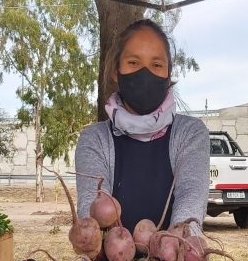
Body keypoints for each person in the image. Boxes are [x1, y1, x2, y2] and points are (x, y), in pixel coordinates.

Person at [74, 19, 210, 235]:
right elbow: (92, 213)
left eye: (156, 65)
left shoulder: (190, 133)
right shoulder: (94, 138)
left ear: (168, 75)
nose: (145, 74)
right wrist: (93, 241)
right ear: (115, 71)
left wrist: (177, 243)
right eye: (133, 63)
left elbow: (191, 198)